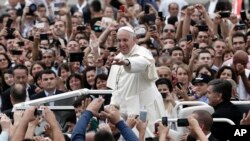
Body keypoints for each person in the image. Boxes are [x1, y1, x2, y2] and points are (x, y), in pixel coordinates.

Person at [107, 26, 165, 131]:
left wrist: (126, 62)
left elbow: (143, 63)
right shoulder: (118, 57)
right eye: (119, 40)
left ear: (134, 40)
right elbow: (117, 87)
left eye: (125, 40)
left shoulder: (142, 52)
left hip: (145, 110)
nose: (121, 44)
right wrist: (113, 104)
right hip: (126, 113)